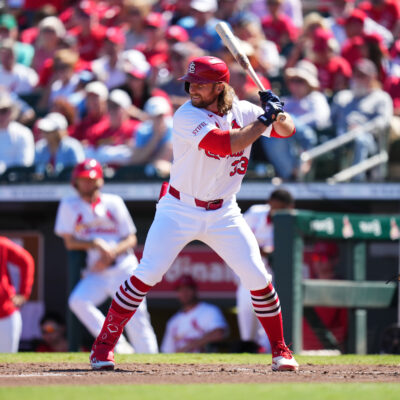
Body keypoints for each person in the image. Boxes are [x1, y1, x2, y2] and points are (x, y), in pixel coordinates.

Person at [89, 55, 299, 372]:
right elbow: (224, 145)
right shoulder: (186, 115)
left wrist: (277, 113)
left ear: (219, 86)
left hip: (224, 210)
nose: (193, 89)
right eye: (191, 83)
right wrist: (264, 121)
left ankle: (281, 351)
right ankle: (102, 348)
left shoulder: (243, 109)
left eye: (200, 83)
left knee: (258, 276)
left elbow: (287, 131)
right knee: (147, 274)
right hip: (179, 208)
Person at [54, 159, 158, 354]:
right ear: (75, 182)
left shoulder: (113, 201)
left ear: (100, 181)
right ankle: (119, 346)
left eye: (92, 179)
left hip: (123, 266)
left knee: (137, 315)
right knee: (78, 301)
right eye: (83, 179)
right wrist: (95, 243)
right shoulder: (69, 204)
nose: (88, 183)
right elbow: (70, 242)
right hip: (97, 271)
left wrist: (111, 252)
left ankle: (151, 360)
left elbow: (131, 238)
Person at [236, 189, 294, 353]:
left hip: (274, 277)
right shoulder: (256, 213)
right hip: (249, 272)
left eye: (280, 208)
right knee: (247, 319)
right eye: (273, 207)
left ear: (288, 207)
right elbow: (239, 237)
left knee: (268, 322)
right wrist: (262, 250)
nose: (275, 211)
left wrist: (272, 251)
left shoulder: (290, 220)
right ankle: (248, 350)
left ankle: (273, 353)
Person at [330, 58, 393, 180]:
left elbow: (383, 122)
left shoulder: (381, 97)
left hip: (368, 139)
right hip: (340, 138)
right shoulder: (342, 96)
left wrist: (362, 129)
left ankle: (357, 181)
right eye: (356, 74)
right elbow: (329, 121)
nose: (358, 78)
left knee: (360, 139)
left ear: (373, 77)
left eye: (363, 75)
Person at [161, 275, 228, 353]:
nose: (184, 293)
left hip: (205, 361)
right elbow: (167, 351)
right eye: (181, 290)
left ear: (195, 290)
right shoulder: (173, 321)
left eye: (188, 289)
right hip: (180, 362)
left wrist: (189, 346)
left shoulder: (210, 311)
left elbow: (218, 334)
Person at [0, 236, 35, 353]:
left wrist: (23, 293)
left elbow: (26, 260)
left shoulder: (2, 244)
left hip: (4, 314)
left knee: (6, 364)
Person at [35, 112, 85, 177]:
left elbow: (79, 172)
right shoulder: (39, 147)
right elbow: (37, 172)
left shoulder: (73, 147)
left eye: (49, 131)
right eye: (44, 131)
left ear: (59, 132)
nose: (45, 134)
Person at [0, 90, 34, 175]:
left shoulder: (23, 133)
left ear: (11, 111)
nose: (1, 115)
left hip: (15, 184)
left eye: (4, 111)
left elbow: (25, 163)